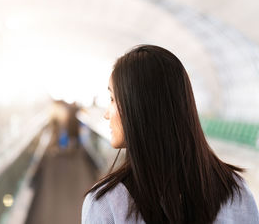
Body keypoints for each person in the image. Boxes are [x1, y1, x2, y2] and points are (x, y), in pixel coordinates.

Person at [82, 45, 259, 223]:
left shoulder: (107, 202)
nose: (106, 114)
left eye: (112, 99)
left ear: (140, 106)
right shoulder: (237, 191)